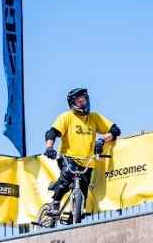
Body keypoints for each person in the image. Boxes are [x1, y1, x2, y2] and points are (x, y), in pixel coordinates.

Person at [43, 88, 120, 220]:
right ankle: (55, 204)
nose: (83, 103)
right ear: (73, 103)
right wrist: (49, 147)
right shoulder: (66, 117)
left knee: (83, 192)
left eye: (84, 100)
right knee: (66, 177)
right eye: (79, 101)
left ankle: (74, 216)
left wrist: (102, 139)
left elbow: (115, 130)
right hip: (68, 158)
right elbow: (52, 132)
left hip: (88, 161)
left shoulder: (94, 117)